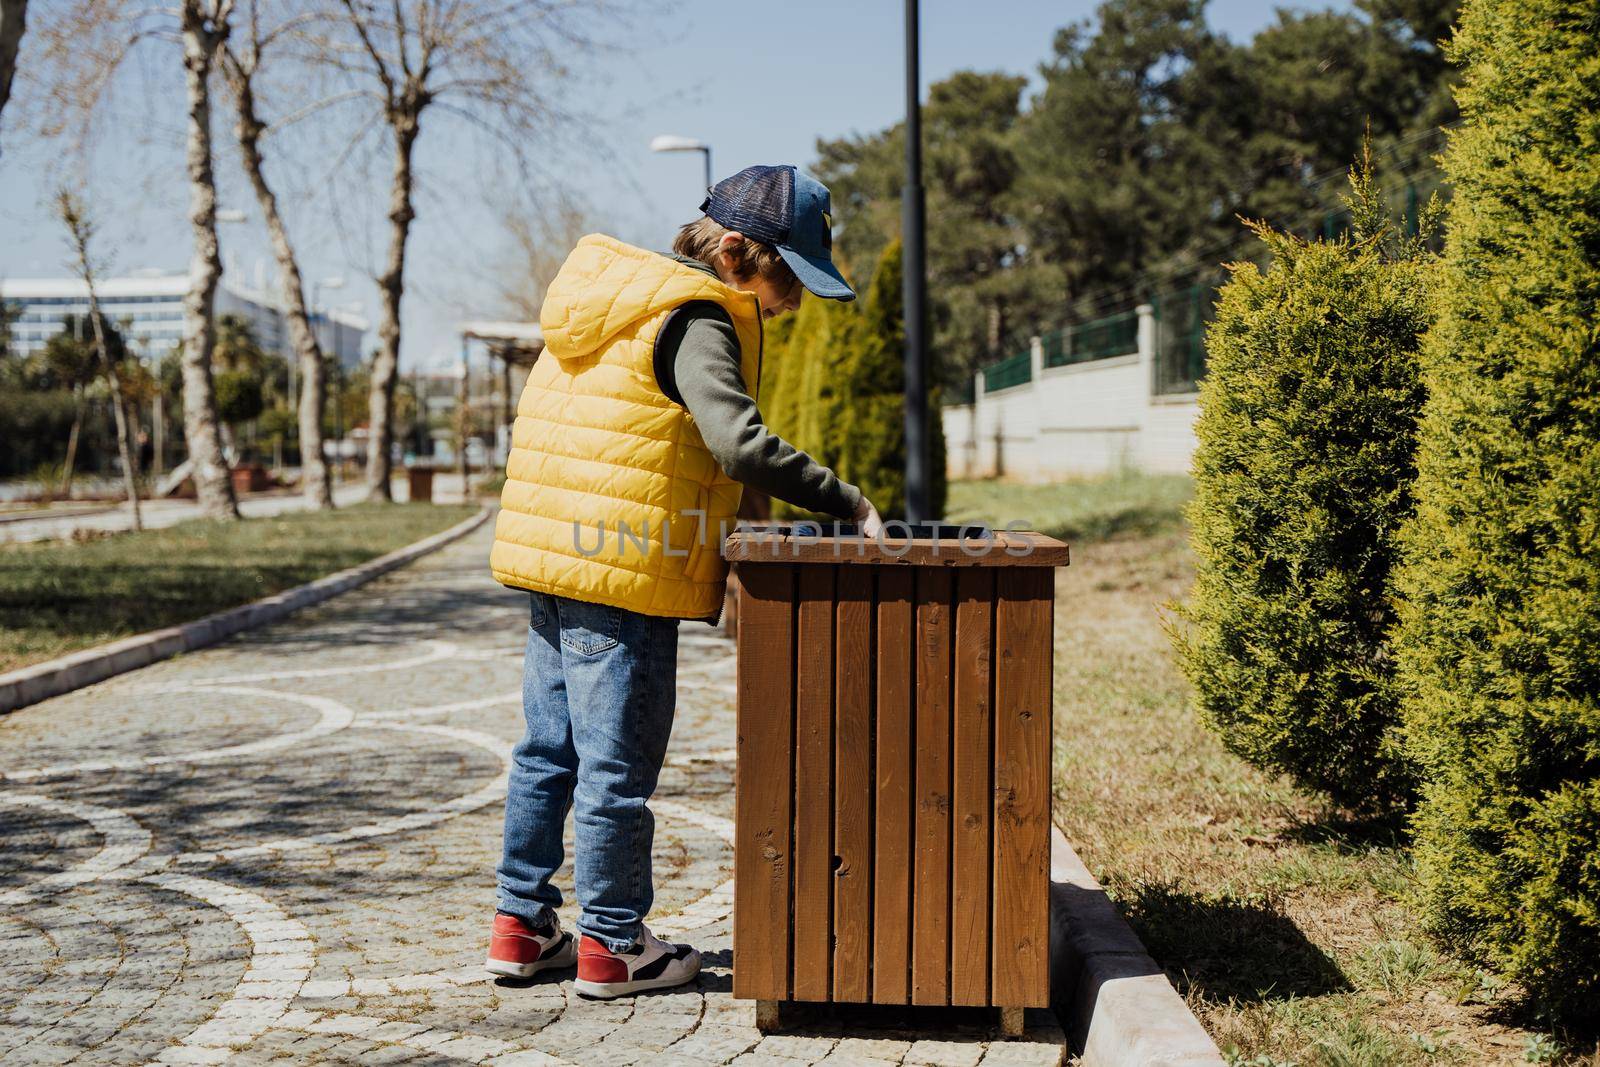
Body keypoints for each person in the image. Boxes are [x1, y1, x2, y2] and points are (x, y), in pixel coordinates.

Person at [485, 165, 883, 999]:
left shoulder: (614, 304)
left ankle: (522, 925)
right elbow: (738, 443)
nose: (793, 303)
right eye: (789, 277)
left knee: (546, 751)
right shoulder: (697, 316)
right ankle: (614, 943)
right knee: (614, 767)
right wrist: (845, 500)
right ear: (738, 252)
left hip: (557, 556)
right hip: (624, 566)